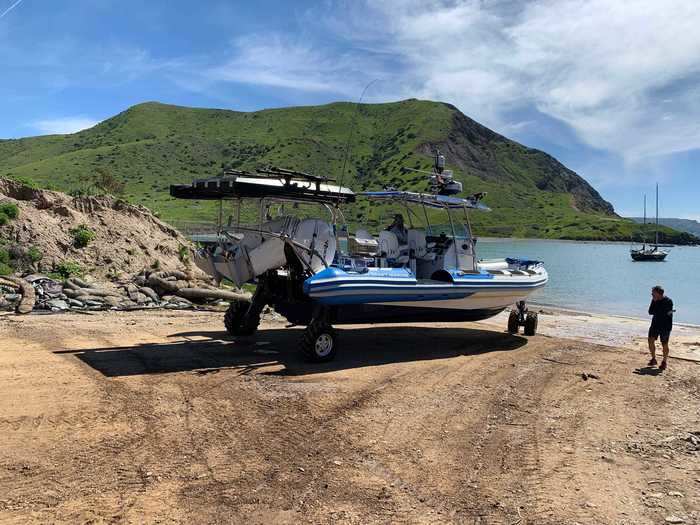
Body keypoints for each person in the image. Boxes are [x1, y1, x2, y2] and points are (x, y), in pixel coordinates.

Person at [647, 285, 674, 371]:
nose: (652, 295)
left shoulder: (668, 301)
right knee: (650, 340)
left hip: (665, 326)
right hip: (655, 324)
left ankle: (664, 362)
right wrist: (655, 303)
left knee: (664, 344)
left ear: (659, 293)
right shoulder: (654, 300)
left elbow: (666, 313)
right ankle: (653, 359)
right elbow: (650, 311)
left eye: (653, 293)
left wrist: (659, 310)